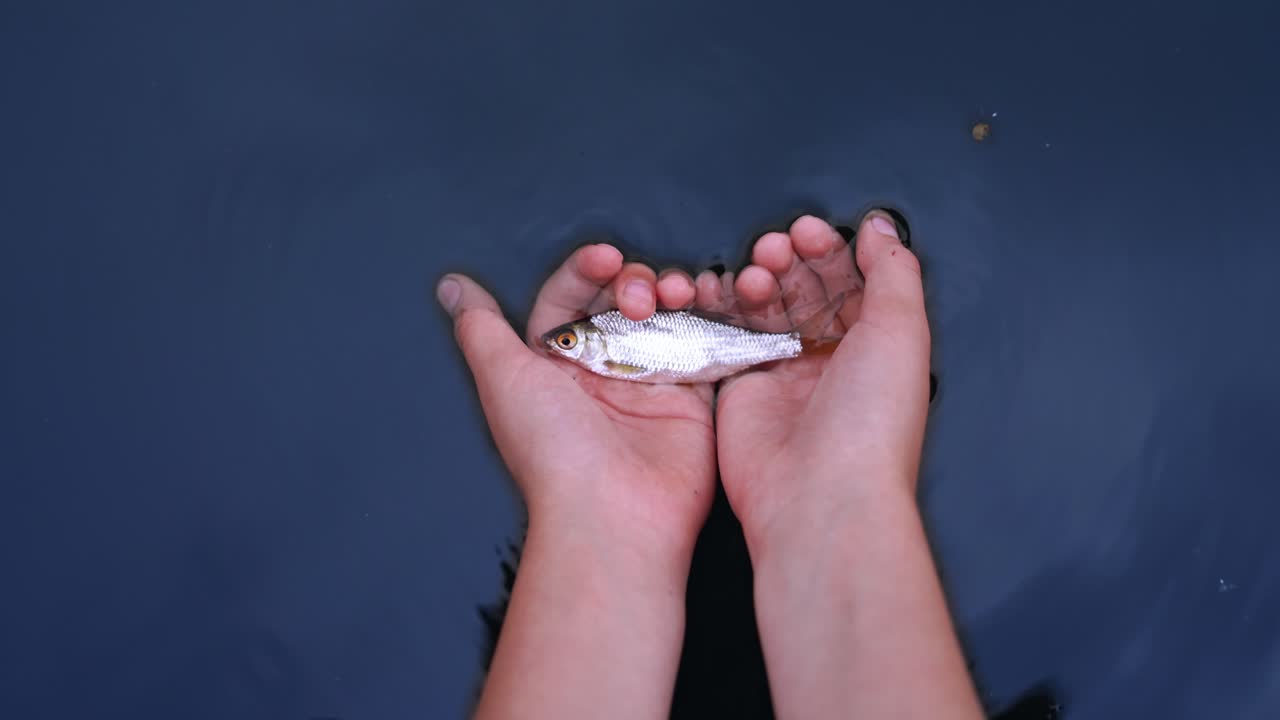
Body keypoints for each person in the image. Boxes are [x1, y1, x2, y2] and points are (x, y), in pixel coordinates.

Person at [436, 211, 984, 719]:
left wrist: (591, 517)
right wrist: (846, 491)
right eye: (564, 341)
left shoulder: (607, 347)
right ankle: (803, 348)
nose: (562, 346)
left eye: (568, 341)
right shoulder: (603, 350)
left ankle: (803, 346)